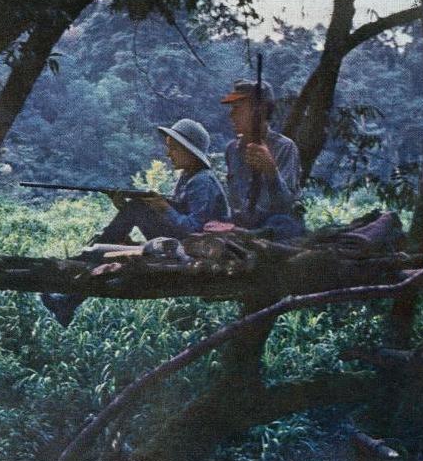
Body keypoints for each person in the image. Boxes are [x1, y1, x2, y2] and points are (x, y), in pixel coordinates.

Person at [42, 118, 229, 326]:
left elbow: (194, 229)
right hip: (182, 243)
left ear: (190, 151)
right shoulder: (188, 177)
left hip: (200, 248)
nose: (169, 154)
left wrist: (163, 207)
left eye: (174, 148)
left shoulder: (202, 181)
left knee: (136, 208)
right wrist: (125, 207)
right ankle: (72, 292)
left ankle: (80, 272)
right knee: (134, 208)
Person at [208, 78, 304, 240]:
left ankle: (250, 237)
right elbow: (236, 203)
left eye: (237, 109)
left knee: (283, 224)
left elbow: (286, 206)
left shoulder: (285, 147)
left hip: (273, 227)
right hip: (243, 225)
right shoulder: (232, 150)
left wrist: (270, 170)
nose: (231, 115)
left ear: (259, 110)